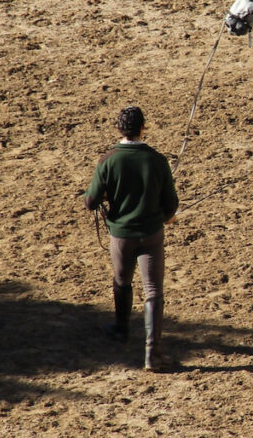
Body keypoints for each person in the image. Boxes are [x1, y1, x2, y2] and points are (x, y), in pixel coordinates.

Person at [83, 106, 179, 371]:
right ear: (142, 128)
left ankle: (121, 329)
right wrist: (168, 216)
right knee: (153, 290)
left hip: (121, 236)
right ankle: (153, 352)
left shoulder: (108, 160)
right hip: (151, 234)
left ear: (119, 130)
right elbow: (171, 204)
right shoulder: (157, 160)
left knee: (122, 280)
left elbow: (91, 201)